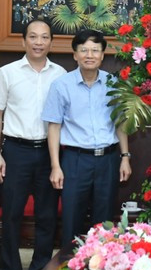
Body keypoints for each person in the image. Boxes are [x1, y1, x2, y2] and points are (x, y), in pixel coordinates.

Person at [0, 18, 66, 270]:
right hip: (15, 151)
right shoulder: (7, 73)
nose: (38, 42)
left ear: (50, 42)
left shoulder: (61, 75)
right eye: (32, 37)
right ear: (23, 41)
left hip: (49, 152)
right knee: (11, 214)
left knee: (47, 216)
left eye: (44, 37)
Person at [41, 29, 132, 247]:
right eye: (84, 50)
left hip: (108, 160)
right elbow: (53, 127)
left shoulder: (113, 84)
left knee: (105, 222)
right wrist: (55, 165)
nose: (89, 55)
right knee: (72, 218)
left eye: (95, 50)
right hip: (75, 160)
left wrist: (125, 157)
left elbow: (120, 123)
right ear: (75, 55)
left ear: (102, 55)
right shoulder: (61, 85)